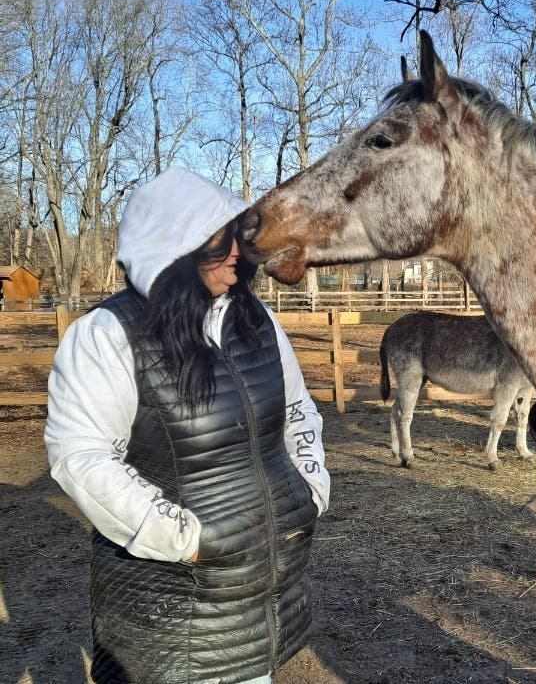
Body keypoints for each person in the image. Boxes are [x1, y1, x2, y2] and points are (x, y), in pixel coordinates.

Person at [44, 166, 330, 684]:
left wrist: (310, 487)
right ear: (173, 250)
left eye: (239, 242)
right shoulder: (106, 336)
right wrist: (186, 539)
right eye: (220, 246)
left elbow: (297, 409)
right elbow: (81, 458)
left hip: (260, 594)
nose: (240, 257)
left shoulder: (254, 320)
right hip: (173, 608)